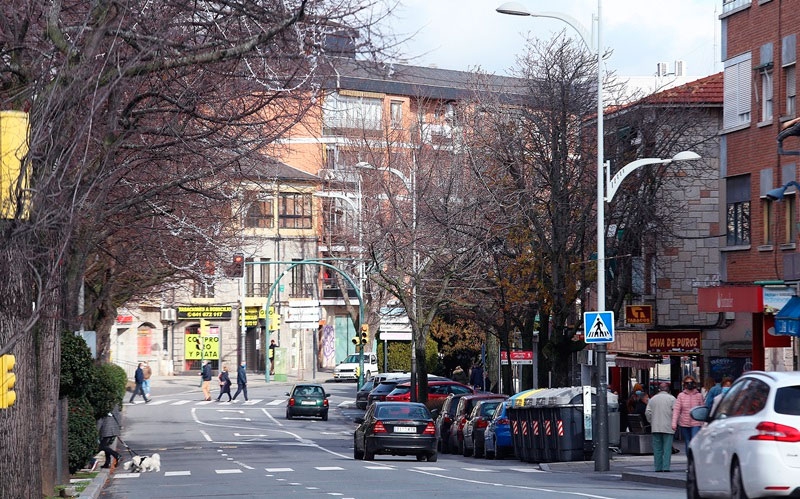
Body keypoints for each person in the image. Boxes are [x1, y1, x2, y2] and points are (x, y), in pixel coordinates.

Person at [645, 382, 677, 472]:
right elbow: (676, 412)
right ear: (668, 389)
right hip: (668, 427)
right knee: (667, 448)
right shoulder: (672, 399)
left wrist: (651, 421)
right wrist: (675, 422)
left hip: (656, 427)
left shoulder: (652, 399)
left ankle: (658, 467)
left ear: (659, 389)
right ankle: (666, 467)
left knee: (657, 448)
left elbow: (648, 412)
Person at [672, 375, 704, 453]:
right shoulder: (681, 396)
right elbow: (677, 410)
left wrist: (704, 422)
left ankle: (694, 457)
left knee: (694, 440)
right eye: (687, 383)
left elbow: (702, 409)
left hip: (696, 422)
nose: (689, 384)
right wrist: (674, 423)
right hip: (684, 423)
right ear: (684, 384)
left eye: (691, 382)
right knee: (687, 441)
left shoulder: (699, 395)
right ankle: (689, 459)